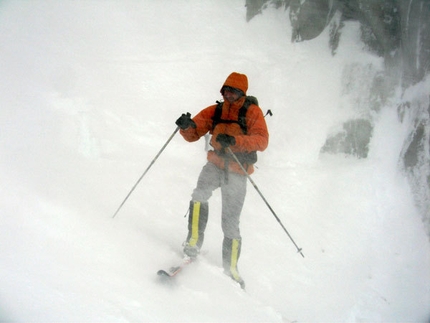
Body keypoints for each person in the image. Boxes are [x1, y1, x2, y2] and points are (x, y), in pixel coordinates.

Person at [175, 72, 269, 288]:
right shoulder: (215, 110)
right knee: (199, 197)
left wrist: (235, 141)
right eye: (226, 90)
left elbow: (262, 141)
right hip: (215, 164)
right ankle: (192, 245)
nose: (228, 95)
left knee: (230, 222)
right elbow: (194, 133)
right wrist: (186, 126)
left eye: (233, 91)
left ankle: (232, 269)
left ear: (242, 93)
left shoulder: (252, 112)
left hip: (238, 170)